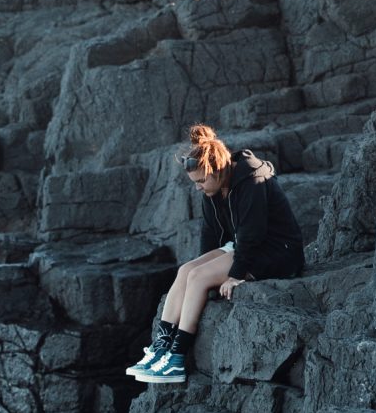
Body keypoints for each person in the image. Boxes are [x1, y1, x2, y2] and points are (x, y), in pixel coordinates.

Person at [126, 123, 305, 384]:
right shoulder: (213, 187)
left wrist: (235, 274)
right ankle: (161, 346)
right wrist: (206, 270)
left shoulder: (251, 178)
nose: (198, 187)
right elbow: (210, 234)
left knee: (198, 277)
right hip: (247, 245)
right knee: (187, 271)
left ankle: (176, 359)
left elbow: (252, 233)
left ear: (216, 169)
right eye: (194, 183)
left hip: (278, 251)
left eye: (200, 181)